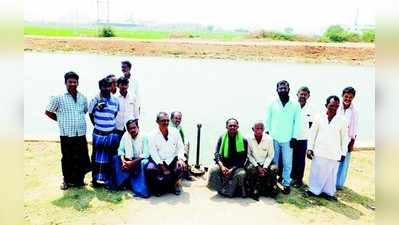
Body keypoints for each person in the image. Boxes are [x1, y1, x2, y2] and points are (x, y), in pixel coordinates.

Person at [45, 71, 91, 190]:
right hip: (66, 133)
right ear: (65, 83)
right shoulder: (58, 97)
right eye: (70, 82)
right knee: (67, 157)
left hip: (80, 133)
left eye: (74, 82)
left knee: (81, 157)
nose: (72, 84)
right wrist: (60, 120)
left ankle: (79, 180)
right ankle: (66, 180)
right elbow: (48, 112)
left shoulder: (82, 98)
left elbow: (85, 111)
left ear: (78, 83)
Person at [305, 96, 348, 201]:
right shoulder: (318, 117)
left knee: (330, 176)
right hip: (319, 151)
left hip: (334, 153)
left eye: (336, 106)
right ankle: (313, 190)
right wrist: (310, 148)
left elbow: (344, 138)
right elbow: (312, 134)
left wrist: (343, 153)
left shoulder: (342, 120)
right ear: (326, 105)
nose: (334, 108)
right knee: (316, 172)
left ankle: (328, 193)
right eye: (331, 105)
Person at [265, 80, 301, 194]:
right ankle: (273, 182)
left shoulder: (295, 104)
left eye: (285, 88)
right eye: (280, 88)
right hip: (274, 138)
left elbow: (297, 122)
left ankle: (286, 183)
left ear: (289, 89)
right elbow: (268, 119)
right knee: (274, 162)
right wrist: (267, 134)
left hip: (288, 140)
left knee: (287, 163)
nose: (283, 90)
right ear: (277, 90)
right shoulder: (272, 103)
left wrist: (294, 137)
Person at [146, 112, 187, 196]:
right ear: (157, 121)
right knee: (150, 168)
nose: (166, 123)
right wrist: (163, 167)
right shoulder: (151, 135)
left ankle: (174, 185)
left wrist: (180, 159)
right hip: (159, 161)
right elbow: (153, 153)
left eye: (167, 120)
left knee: (181, 166)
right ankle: (158, 188)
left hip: (172, 159)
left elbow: (180, 147)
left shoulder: (175, 132)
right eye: (163, 121)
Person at [88, 77, 120, 187]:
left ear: (111, 87)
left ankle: (108, 179)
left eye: (108, 86)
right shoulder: (95, 99)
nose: (106, 88)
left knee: (110, 157)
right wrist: (98, 125)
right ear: (100, 87)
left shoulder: (115, 100)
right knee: (96, 157)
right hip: (98, 134)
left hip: (111, 134)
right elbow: (91, 114)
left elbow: (114, 115)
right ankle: (94, 180)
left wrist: (107, 125)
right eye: (103, 86)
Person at [207, 118, 248, 198]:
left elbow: (243, 159)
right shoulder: (222, 138)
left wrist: (232, 169)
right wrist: (222, 166)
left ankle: (230, 190)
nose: (232, 127)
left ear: (237, 127)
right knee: (213, 169)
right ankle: (220, 188)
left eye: (234, 126)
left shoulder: (243, 140)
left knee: (242, 174)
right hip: (223, 164)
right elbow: (217, 154)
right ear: (226, 127)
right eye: (230, 126)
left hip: (236, 166)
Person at [112, 119, 150, 198]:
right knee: (116, 158)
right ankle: (120, 183)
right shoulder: (126, 135)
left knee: (144, 162)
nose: (132, 130)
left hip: (140, 160)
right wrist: (123, 161)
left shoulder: (144, 136)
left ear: (138, 127)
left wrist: (132, 163)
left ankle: (141, 190)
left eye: (134, 127)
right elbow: (120, 150)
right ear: (127, 129)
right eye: (130, 128)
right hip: (128, 159)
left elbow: (146, 154)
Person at [246, 121, 279, 200]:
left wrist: (264, 167)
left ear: (264, 129)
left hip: (266, 162)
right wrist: (257, 166)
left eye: (261, 129)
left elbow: (271, 155)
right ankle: (254, 189)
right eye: (257, 128)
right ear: (253, 129)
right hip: (254, 162)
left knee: (274, 169)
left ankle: (272, 187)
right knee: (251, 169)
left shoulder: (269, 139)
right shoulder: (248, 138)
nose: (259, 131)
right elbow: (249, 155)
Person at [336, 87, 358, 190]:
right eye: (346, 96)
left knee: (343, 162)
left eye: (350, 97)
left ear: (353, 98)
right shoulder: (336, 106)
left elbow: (354, 128)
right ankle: (330, 181)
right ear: (342, 95)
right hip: (335, 137)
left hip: (347, 140)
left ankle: (339, 184)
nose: (348, 99)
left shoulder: (354, 111)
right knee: (334, 160)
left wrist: (352, 143)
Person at [291, 86, 313, 188]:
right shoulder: (292, 106)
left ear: (308, 96)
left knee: (300, 160)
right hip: (292, 137)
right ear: (297, 94)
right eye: (301, 94)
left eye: (305, 94)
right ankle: (291, 177)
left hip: (303, 138)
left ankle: (299, 180)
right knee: (290, 158)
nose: (303, 96)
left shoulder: (311, 109)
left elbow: (311, 125)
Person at [170, 111, 194, 181]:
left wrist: (185, 145)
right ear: (171, 119)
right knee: (183, 155)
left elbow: (182, 138)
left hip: (179, 147)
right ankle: (179, 177)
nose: (178, 120)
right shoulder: (170, 128)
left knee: (186, 147)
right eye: (176, 118)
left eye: (179, 118)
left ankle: (185, 173)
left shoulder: (179, 127)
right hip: (172, 150)